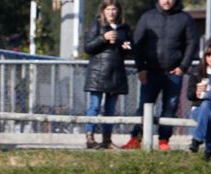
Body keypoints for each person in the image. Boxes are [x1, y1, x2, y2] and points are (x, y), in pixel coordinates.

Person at [123, 0, 199, 151]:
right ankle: (136, 139)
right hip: (150, 72)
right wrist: (141, 68)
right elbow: (137, 43)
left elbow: (192, 43)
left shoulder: (185, 19)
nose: (167, 1)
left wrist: (183, 66)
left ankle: (164, 140)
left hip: (173, 74)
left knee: (169, 108)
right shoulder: (147, 17)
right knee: (144, 107)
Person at [82, 0, 134, 150]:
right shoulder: (97, 25)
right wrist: (103, 38)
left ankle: (107, 139)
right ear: (103, 11)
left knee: (110, 109)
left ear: (118, 11)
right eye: (108, 9)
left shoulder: (124, 28)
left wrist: (126, 46)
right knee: (95, 106)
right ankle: (90, 137)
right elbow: (88, 47)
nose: (111, 12)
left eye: (114, 9)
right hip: (98, 73)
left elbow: (131, 46)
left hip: (116, 73)